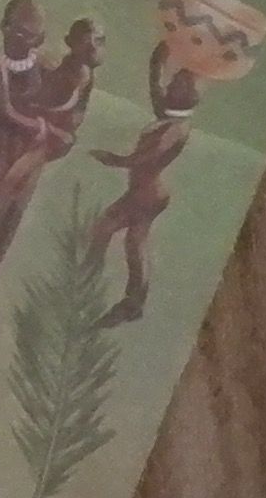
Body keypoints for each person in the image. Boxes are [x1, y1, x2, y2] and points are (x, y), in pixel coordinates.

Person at [0, 8, 102, 315]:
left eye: (33, 35)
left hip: (33, 155)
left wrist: (61, 137)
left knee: (9, 222)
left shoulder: (82, 78)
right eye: (89, 42)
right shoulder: (26, 64)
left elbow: (72, 119)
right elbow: (5, 111)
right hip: (4, 148)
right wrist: (46, 129)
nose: (95, 49)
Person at [74, 63, 203, 325]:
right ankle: (128, 300)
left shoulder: (177, 127)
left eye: (175, 84)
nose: (168, 86)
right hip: (146, 193)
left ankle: (88, 287)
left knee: (108, 231)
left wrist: (115, 160)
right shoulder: (170, 115)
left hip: (145, 195)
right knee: (131, 241)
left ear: (188, 94)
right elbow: (155, 85)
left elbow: (147, 157)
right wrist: (159, 56)